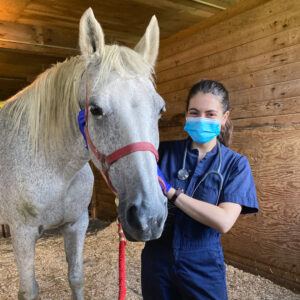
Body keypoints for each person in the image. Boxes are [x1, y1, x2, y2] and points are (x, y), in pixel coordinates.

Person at [141, 80, 259, 300]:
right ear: (186, 115)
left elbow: (223, 221)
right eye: (194, 113)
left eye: (210, 114)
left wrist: (172, 193)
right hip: (156, 258)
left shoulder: (235, 164)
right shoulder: (162, 152)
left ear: (224, 118)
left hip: (202, 262)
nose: (201, 119)